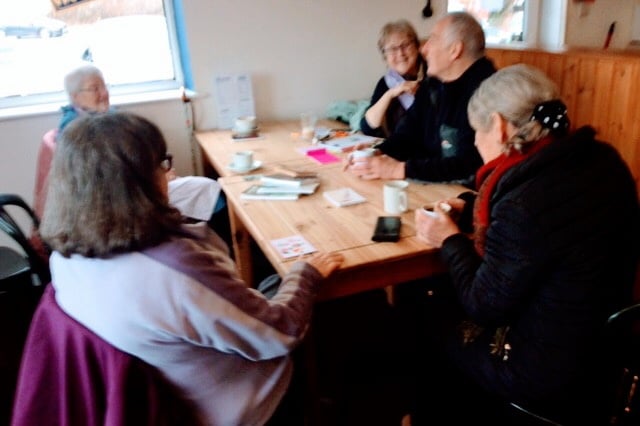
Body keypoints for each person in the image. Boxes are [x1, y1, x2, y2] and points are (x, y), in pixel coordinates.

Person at [39, 111, 345, 426]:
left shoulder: (64, 258)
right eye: (161, 165)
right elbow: (281, 332)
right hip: (245, 404)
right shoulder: (174, 270)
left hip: (173, 387)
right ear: (137, 182)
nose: (168, 175)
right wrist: (304, 273)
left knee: (271, 280)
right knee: (336, 303)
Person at [407, 64, 640, 424]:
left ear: (499, 126)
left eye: (475, 133)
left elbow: (483, 303)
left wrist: (448, 238)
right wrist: (469, 209)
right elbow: (547, 230)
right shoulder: (601, 159)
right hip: (608, 344)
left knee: (429, 312)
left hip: (548, 367)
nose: (474, 143)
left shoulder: (524, 202)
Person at [56, 63, 227, 229]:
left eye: (104, 86)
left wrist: (159, 172)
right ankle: (229, 249)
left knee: (208, 188)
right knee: (209, 189)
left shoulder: (103, 116)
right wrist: (156, 179)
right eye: (95, 88)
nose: (104, 93)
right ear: (75, 97)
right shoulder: (77, 131)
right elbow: (109, 176)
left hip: (142, 183)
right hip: (125, 199)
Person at [345, 12, 495, 185]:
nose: (424, 49)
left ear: (455, 50)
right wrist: (377, 153)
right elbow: (408, 134)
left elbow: (470, 165)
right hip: (430, 188)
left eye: (433, 39)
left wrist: (398, 169)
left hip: (464, 199)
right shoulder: (433, 84)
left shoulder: (488, 93)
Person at [359, 19, 427, 138]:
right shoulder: (387, 82)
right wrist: (391, 93)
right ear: (385, 57)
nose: (400, 53)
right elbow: (367, 127)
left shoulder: (432, 74)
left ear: (416, 47)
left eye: (405, 45)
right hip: (398, 148)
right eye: (392, 49)